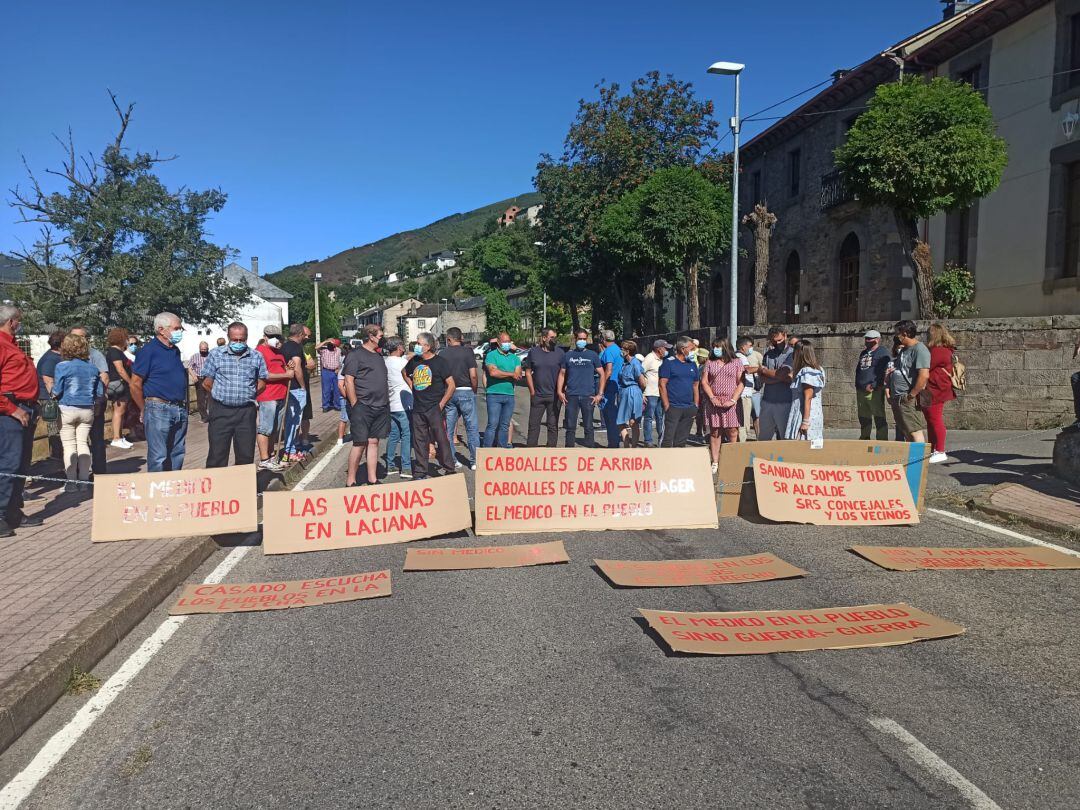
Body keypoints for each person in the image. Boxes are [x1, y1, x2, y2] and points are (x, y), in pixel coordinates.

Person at [0, 305, 44, 537]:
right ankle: (1, 514)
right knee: (8, 464)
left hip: (24, 408)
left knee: (20, 464)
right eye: (19, 321)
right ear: (13, 322)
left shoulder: (13, 345)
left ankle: (13, 511)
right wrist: (11, 409)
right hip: (10, 412)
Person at [201, 323, 267, 468]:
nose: (238, 343)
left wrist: (246, 394)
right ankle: (216, 488)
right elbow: (206, 382)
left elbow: (262, 382)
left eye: (242, 340)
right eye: (235, 340)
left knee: (245, 454)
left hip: (246, 412)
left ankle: (242, 487)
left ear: (247, 338)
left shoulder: (256, 356)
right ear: (228, 338)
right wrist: (223, 393)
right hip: (221, 411)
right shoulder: (216, 354)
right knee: (217, 454)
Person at [130, 312, 189, 472]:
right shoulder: (148, 351)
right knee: (159, 456)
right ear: (161, 329)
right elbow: (135, 384)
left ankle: (173, 488)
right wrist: (144, 407)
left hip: (179, 407)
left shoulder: (174, 350)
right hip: (158, 408)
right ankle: (157, 492)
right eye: (176, 328)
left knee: (177, 452)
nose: (180, 331)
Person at [52, 333, 104, 490]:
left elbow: (57, 390)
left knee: (69, 445)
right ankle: (84, 482)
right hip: (87, 409)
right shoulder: (93, 368)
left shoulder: (62, 366)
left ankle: (71, 483)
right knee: (83, 444)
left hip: (67, 408)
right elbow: (100, 392)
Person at [403, 332, 456, 479]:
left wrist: (442, 403)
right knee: (419, 440)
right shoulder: (414, 361)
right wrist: (412, 385)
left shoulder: (440, 362)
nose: (416, 346)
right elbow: (404, 372)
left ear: (427, 346)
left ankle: (449, 467)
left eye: (419, 344)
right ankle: (421, 470)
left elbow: (451, 385)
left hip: (434, 407)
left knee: (441, 438)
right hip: (418, 407)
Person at [343, 323, 390, 487]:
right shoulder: (355, 355)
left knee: (373, 442)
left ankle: (372, 478)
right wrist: (355, 404)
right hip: (363, 406)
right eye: (380, 336)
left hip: (380, 406)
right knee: (359, 443)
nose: (382, 339)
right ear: (371, 337)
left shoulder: (378, 356)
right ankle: (351, 480)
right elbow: (348, 381)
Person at [67, 327, 109, 475]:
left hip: (93, 403)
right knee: (76, 440)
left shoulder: (95, 355)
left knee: (96, 438)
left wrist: (98, 400)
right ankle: (78, 471)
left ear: (87, 339)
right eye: (73, 337)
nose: (76, 340)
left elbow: (104, 376)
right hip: (72, 406)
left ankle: (99, 471)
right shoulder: (66, 356)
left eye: (80, 337)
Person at [701, 338, 744, 472]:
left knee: (732, 431)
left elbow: (741, 382)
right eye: (714, 347)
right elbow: (704, 382)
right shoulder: (709, 362)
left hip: (731, 402)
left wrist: (733, 400)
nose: (715, 349)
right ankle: (715, 461)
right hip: (714, 401)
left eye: (718, 346)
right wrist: (712, 397)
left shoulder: (737, 362)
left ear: (725, 347)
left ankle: (732, 459)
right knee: (715, 432)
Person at [255, 324, 293, 472]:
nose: (275, 339)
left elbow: (283, 369)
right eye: (271, 337)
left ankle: (271, 457)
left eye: (277, 337)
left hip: (281, 395)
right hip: (268, 396)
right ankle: (264, 459)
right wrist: (286, 374)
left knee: (275, 430)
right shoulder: (259, 352)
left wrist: (288, 368)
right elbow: (264, 375)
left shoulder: (278, 353)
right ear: (265, 337)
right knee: (265, 428)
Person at [441, 327, 480, 469]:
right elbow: (474, 375)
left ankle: (452, 459)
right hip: (466, 390)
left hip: (449, 392)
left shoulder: (443, 354)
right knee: (472, 428)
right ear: (461, 337)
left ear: (449, 339)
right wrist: (474, 390)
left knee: (448, 430)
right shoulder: (468, 352)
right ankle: (475, 460)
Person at [558, 329, 602, 448]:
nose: (582, 341)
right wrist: (559, 391)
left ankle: (589, 451)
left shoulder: (592, 355)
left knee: (588, 426)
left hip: (588, 396)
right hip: (571, 395)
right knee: (570, 426)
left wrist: (600, 394)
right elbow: (562, 374)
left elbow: (602, 374)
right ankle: (570, 452)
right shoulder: (568, 355)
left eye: (584, 339)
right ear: (575, 339)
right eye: (580, 339)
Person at [890, 319, 931, 447]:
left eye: (898, 332)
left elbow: (924, 375)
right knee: (906, 431)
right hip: (898, 397)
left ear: (906, 333)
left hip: (907, 397)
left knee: (914, 431)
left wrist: (911, 395)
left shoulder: (920, 349)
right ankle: (911, 460)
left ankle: (918, 463)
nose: (896, 335)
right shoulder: (904, 349)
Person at [525, 327, 565, 448]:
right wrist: (532, 391)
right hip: (538, 395)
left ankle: (551, 451)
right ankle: (531, 452)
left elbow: (563, 373)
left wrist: (561, 390)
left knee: (552, 425)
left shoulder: (560, 353)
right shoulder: (534, 352)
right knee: (533, 425)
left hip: (554, 396)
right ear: (544, 338)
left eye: (555, 337)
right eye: (552, 337)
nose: (554, 340)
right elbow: (527, 372)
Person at [924, 323, 957, 464]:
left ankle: (940, 450)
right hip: (934, 389)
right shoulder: (944, 350)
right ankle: (933, 449)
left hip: (935, 389)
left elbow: (926, 366)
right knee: (931, 421)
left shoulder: (938, 351)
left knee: (935, 419)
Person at [659, 337, 700, 448]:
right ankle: (664, 462)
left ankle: (678, 463)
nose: (693, 351)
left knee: (681, 441)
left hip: (689, 408)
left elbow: (696, 385)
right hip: (673, 407)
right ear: (683, 349)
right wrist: (667, 405)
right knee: (667, 439)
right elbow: (662, 384)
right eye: (691, 349)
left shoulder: (692, 364)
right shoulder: (669, 363)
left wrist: (696, 405)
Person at [483, 331, 521, 448]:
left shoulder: (515, 358)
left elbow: (518, 374)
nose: (507, 344)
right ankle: (487, 451)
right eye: (505, 342)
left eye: (509, 341)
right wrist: (510, 374)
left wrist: (505, 373)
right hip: (494, 394)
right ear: (499, 343)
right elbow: (493, 372)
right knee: (492, 424)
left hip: (509, 395)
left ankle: (502, 450)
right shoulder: (491, 355)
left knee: (504, 425)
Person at [756, 327, 793, 441]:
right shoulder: (768, 354)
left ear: (785, 336)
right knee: (763, 438)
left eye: (780, 340)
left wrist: (765, 371)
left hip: (785, 402)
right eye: (774, 341)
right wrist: (779, 377)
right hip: (767, 401)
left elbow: (786, 376)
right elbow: (762, 378)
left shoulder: (792, 354)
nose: (777, 343)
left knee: (784, 438)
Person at [281, 324, 312, 462]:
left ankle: (290, 449)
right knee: (294, 421)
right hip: (295, 388)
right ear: (299, 334)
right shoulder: (296, 348)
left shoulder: (284, 346)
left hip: (287, 387)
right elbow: (297, 368)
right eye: (304, 335)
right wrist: (303, 386)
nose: (305, 337)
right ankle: (290, 451)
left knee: (289, 420)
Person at [785, 340, 825, 442]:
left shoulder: (807, 371)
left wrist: (805, 422)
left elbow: (808, 397)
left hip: (805, 415)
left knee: (804, 447)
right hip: (811, 414)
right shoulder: (817, 369)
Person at [384, 337, 413, 478]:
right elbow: (410, 360)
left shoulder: (385, 362)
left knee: (394, 435)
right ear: (399, 347)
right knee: (406, 435)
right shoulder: (403, 362)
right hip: (403, 404)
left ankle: (390, 465)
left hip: (391, 403)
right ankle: (406, 467)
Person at [855, 330, 891, 441]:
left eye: (869, 339)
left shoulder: (882, 352)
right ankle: (864, 437)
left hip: (874, 390)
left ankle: (882, 440)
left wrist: (875, 385)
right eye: (866, 338)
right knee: (863, 417)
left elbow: (884, 371)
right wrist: (858, 384)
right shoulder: (864, 353)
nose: (866, 341)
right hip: (861, 390)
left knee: (879, 416)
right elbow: (859, 370)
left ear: (877, 339)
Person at [105, 327, 134, 449]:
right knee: (118, 411)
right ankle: (116, 437)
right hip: (119, 385)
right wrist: (130, 382)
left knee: (122, 411)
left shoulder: (118, 351)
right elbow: (120, 369)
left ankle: (120, 436)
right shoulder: (114, 352)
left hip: (121, 384)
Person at [615, 340, 645, 447]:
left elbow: (642, 381)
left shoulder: (635, 363)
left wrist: (641, 392)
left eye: (622, 349)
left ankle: (633, 446)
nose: (620, 351)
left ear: (627, 351)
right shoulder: (624, 363)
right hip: (624, 391)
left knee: (634, 421)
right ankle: (627, 445)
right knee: (621, 421)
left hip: (633, 391)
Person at [598, 329, 623, 448]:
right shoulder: (618, 349)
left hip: (609, 387)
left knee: (610, 417)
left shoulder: (608, 351)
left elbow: (608, 369)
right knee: (614, 416)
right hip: (617, 385)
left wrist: (602, 386)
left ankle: (613, 443)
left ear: (603, 339)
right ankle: (614, 441)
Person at [641, 340, 669, 447]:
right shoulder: (649, 358)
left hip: (660, 393)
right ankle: (648, 440)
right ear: (659, 349)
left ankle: (661, 439)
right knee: (649, 417)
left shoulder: (663, 360)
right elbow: (640, 373)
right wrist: (642, 392)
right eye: (665, 348)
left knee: (660, 417)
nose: (666, 350)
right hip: (650, 392)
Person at [735, 337, 761, 442]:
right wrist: (760, 369)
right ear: (743, 346)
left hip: (745, 394)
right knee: (744, 423)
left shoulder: (737, 356)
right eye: (750, 346)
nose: (751, 348)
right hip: (744, 395)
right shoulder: (741, 357)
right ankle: (741, 445)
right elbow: (747, 370)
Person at [186, 341, 212, 423]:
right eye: (202, 349)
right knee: (201, 399)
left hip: (209, 379)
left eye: (205, 349)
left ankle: (213, 416)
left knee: (212, 398)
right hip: (199, 379)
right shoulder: (195, 356)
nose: (203, 350)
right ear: (199, 348)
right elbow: (189, 367)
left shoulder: (211, 356)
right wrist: (193, 376)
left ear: (208, 348)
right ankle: (204, 417)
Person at [318, 338, 343, 412]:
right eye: (330, 343)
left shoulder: (338, 350)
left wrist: (339, 368)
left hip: (335, 371)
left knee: (337, 390)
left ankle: (337, 405)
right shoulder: (323, 350)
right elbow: (316, 347)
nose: (331, 345)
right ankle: (325, 406)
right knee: (326, 390)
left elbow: (340, 361)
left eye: (332, 343)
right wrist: (326, 341)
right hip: (326, 371)